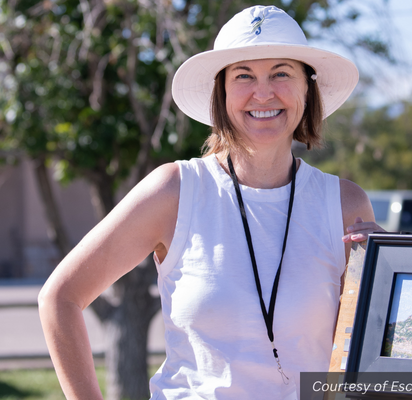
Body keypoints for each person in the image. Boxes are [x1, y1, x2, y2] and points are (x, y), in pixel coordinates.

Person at [38, 5, 382, 399]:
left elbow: (362, 353)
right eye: (243, 76)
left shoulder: (344, 204)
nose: (263, 92)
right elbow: (59, 298)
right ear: (221, 92)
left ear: (308, 87)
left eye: (282, 73)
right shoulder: (175, 190)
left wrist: (391, 275)